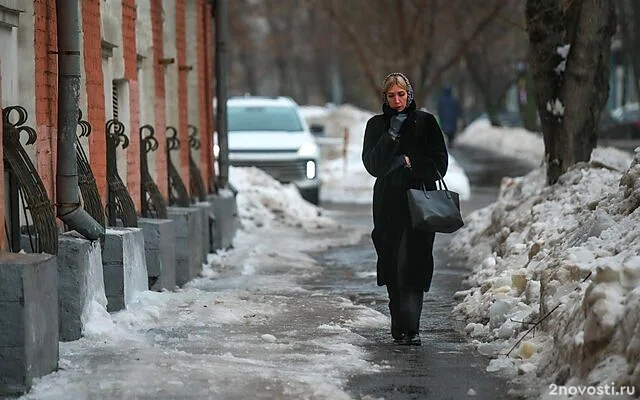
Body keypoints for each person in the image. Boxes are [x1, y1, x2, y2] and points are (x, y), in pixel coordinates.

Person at [362, 73, 448, 346]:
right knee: (391, 263)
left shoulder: (425, 123)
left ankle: (412, 328)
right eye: (391, 96)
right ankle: (398, 324)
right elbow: (373, 165)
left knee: (415, 263)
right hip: (388, 204)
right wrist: (391, 136)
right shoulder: (376, 125)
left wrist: (410, 163)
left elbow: (439, 165)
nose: (397, 100)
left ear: (409, 95)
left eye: (401, 94)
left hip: (420, 201)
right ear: (385, 97)